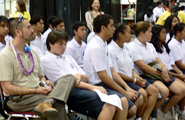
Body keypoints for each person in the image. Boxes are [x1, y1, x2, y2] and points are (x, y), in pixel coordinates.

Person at [41, 29, 129, 120]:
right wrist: (91, 87)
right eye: (60, 44)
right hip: (68, 93)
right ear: (51, 44)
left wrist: (78, 76)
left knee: (123, 101)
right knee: (110, 104)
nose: (64, 47)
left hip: (83, 87)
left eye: (65, 44)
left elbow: (86, 78)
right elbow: (66, 82)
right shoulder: (46, 59)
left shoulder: (68, 58)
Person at [0, 18, 77, 120]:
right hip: (19, 99)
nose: (32, 30)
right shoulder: (5, 55)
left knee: (70, 78)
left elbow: (41, 78)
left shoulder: (33, 52)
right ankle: (48, 103)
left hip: (39, 93)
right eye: (28, 27)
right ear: (18, 32)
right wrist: (35, 90)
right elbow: (7, 88)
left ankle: (47, 103)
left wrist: (46, 83)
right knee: (58, 103)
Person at [83, 14, 144, 118]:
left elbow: (112, 71)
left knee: (137, 100)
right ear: (103, 28)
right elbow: (103, 76)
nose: (114, 29)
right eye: (112, 26)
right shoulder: (95, 47)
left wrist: (127, 87)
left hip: (106, 83)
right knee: (124, 102)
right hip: (98, 86)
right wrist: (125, 93)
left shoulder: (104, 44)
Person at [128, 21, 185, 117]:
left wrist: (165, 71)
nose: (152, 34)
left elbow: (159, 61)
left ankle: (162, 112)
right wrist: (160, 73)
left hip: (158, 72)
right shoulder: (133, 46)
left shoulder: (150, 45)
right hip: (145, 75)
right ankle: (151, 115)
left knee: (183, 88)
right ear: (142, 33)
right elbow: (143, 66)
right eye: (149, 32)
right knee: (164, 91)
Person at [108, 23, 159, 120]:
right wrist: (134, 80)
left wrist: (137, 77)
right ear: (121, 35)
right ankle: (137, 117)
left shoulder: (126, 48)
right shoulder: (111, 50)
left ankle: (144, 117)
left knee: (154, 90)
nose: (131, 35)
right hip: (121, 81)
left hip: (131, 79)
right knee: (142, 95)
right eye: (129, 33)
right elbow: (116, 73)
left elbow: (131, 68)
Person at [151, 25, 185, 115]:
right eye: (163, 33)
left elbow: (172, 65)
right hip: (163, 74)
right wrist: (177, 75)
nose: (165, 35)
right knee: (182, 90)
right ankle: (164, 111)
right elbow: (160, 67)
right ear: (156, 35)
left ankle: (181, 109)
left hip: (171, 72)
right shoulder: (153, 48)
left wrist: (179, 72)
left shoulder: (165, 47)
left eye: (165, 32)